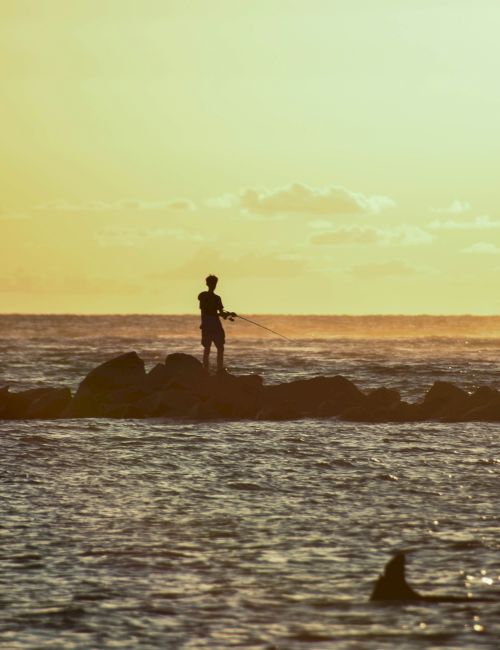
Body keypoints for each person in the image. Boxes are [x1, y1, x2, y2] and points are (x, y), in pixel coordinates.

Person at [198, 274, 230, 373]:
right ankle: (210, 369)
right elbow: (207, 310)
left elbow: (221, 314)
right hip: (211, 325)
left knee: (216, 348)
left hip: (211, 324)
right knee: (213, 348)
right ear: (208, 284)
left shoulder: (214, 298)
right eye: (212, 283)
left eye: (214, 283)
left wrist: (228, 314)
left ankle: (216, 369)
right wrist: (223, 314)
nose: (214, 285)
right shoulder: (204, 296)